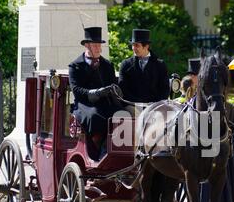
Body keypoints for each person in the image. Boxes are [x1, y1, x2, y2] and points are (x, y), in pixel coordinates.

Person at [68, 26, 122, 161]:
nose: (98, 48)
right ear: (86, 45)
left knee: (122, 115)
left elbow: (112, 85)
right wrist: (96, 92)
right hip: (84, 104)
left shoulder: (107, 65)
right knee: (95, 116)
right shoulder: (75, 66)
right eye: (95, 45)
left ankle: (115, 150)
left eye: (99, 45)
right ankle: (96, 153)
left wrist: (114, 91)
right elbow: (77, 90)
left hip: (105, 103)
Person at [118, 29, 170, 105]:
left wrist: (154, 105)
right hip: (132, 105)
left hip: (154, 107)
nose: (133, 48)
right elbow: (123, 89)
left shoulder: (160, 65)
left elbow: (164, 90)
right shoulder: (125, 64)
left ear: (146, 46)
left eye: (137, 45)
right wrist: (138, 103)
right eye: (133, 45)